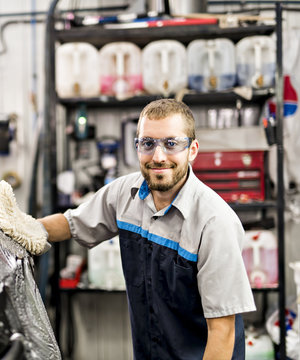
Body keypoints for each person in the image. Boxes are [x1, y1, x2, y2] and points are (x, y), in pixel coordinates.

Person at [39, 99, 256, 359]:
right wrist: (23, 228)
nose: (158, 156)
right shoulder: (124, 193)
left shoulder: (214, 222)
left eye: (171, 143)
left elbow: (223, 331)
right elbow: (71, 223)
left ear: (193, 150)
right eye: (148, 143)